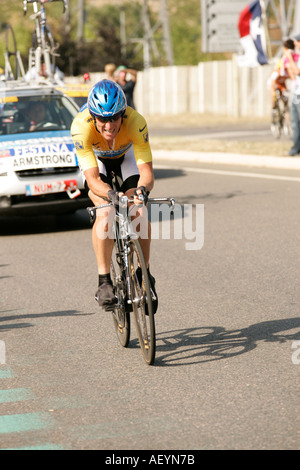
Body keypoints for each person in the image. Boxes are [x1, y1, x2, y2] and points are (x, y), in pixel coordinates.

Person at [70, 79, 157, 311]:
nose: (109, 125)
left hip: (126, 155)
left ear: (123, 114)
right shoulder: (80, 126)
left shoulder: (136, 122)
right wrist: (111, 194)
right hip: (97, 161)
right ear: (93, 116)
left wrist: (141, 191)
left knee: (138, 210)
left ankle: (144, 275)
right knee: (106, 210)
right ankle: (104, 280)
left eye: (115, 118)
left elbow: (147, 174)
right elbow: (92, 180)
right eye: (102, 119)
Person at [284, 35, 300, 156]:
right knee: (294, 122)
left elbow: (298, 71)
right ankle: (296, 147)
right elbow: (292, 73)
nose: (296, 44)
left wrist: (289, 57)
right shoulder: (297, 57)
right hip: (296, 92)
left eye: (298, 42)